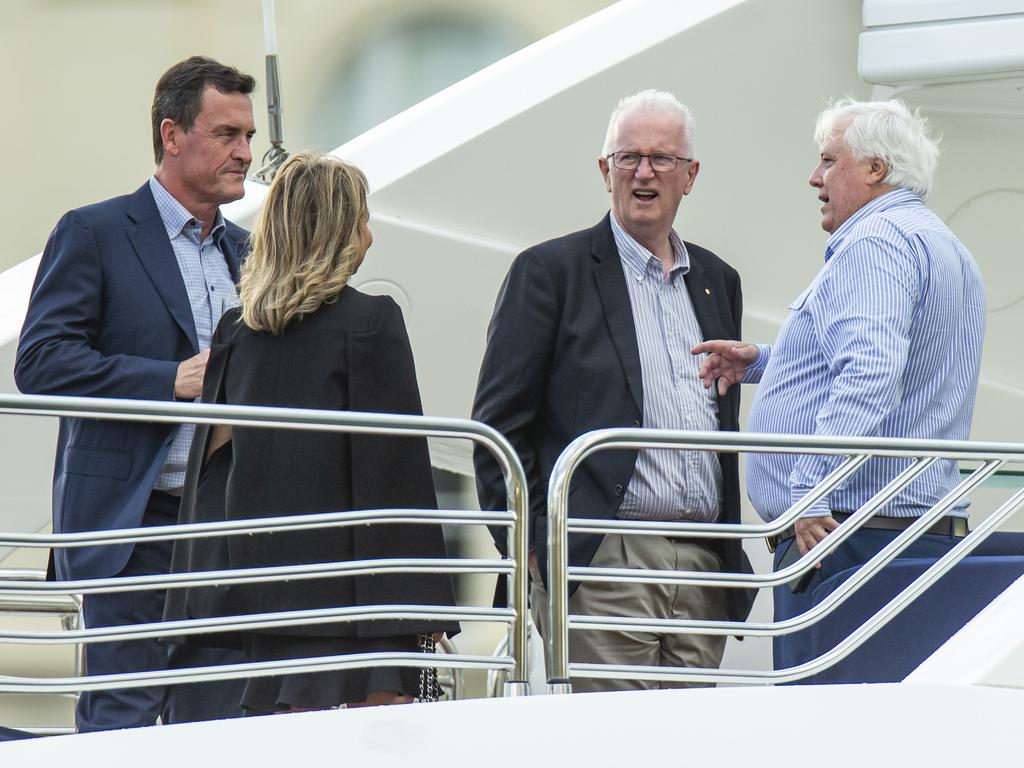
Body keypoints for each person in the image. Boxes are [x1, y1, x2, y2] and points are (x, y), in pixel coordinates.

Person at [472, 90, 755, 692]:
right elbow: (498, 430)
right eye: (629, 157)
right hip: (601, 558)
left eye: (662, 159)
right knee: (607, 744)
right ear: (606, 171)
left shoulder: (717, 281)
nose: (645, 172)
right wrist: (532, 551)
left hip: (706, 564)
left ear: (691, 175)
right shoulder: (551, 272)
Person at [694, 98, 986, 670]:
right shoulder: (940, 244)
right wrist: (763, 362)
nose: (814, 177)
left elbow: (869, 373)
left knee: (826, 729)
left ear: (874, 170)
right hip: (904, 531)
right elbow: (895, 367)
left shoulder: (875, 244)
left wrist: (809, 492)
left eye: (829, 161)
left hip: (848, 537)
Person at [164, 152, 459, 713]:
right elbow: (395, 475)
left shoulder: (237, 330)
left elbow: (216, 469)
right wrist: (420, 606)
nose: (369, 237)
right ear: (338, 230)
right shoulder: (372, 321)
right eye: (362, 220)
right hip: (357, 604)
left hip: (262, 602)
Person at [14, 56, 255, 730]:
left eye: (248, 137)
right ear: (172, 135)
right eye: (226, 134)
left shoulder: (250, 251)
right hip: (136, 526)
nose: (243, 153)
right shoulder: (94, 232)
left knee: (220, 730)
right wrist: (166, 381)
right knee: (122, 720)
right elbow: (40, 362)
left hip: (226, 532)